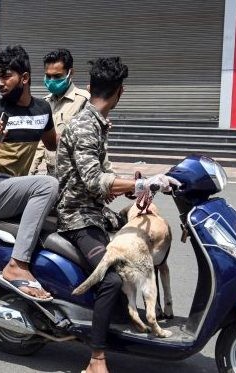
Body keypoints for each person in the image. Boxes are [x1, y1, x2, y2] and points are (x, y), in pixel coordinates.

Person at [56, 57, 179, 373]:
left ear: (88, 87)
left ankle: (137, 314)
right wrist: (140, 183)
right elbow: (95, 181)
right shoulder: (85, 126)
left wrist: (134, 189)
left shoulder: (98, 122)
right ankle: (96, 359)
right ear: (120, 92)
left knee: (148, 224)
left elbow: (104, 178)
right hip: (78, 218)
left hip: (96, 210)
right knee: (112, 278)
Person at [0, 45, 59, 302]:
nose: (0, 83)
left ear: (24, 78)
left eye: (6, 76)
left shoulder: (42, 110)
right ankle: (16, 266)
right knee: (47, 185)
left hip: (16, 191)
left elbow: (54, 144)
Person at [30, 49, 89, 176]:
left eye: (57, 76)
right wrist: (29, 172)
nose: (51, 80)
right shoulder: (45, 103)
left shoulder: (84, 100)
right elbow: (40, 143)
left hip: (76, 176)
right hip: (52, 174)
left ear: (70, 73)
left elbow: (92, 142)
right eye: (48, 76)